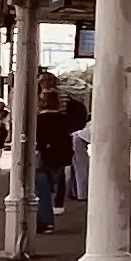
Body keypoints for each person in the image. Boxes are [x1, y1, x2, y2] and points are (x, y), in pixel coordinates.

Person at [30, 75, 78, 237]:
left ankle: (44, 220)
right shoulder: (63, 120)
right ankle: (55, 208)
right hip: (60, 159)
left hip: (43, 158)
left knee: (41, 188)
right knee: (51, 185)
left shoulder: (39, 120)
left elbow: (37, 141)